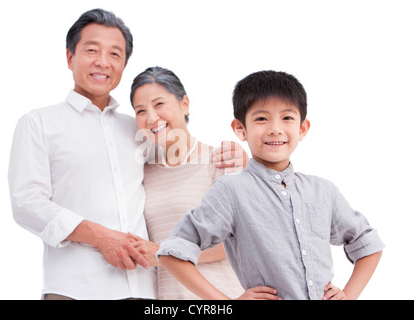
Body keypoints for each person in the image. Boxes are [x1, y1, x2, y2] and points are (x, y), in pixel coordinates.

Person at [7, 9, 245, 300]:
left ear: (123, 65)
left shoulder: (136, 130)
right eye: (92, 50)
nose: (103, 62)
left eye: (114, 54)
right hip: (74, 288)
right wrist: (99, 236)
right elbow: (26, 203)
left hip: (145, 289)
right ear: (70, 58)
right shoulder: (40, 124)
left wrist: (239, 157)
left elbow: (179, 157)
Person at [157, 70, 385, 300]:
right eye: (261, 118)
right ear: (240, 129)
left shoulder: (323, 191)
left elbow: (368, 245)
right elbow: (172, 253)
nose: (275, 128)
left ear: (302, 128)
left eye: (287, 118)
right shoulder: (231, 191)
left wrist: (348, 295)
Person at [128, 66, 245, 299]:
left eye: (159, 104)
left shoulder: (223, 161)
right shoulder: (142, 173)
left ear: (184, 104)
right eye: (141, 110)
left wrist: (163, 253)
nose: (151, 118)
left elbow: (238, 243)